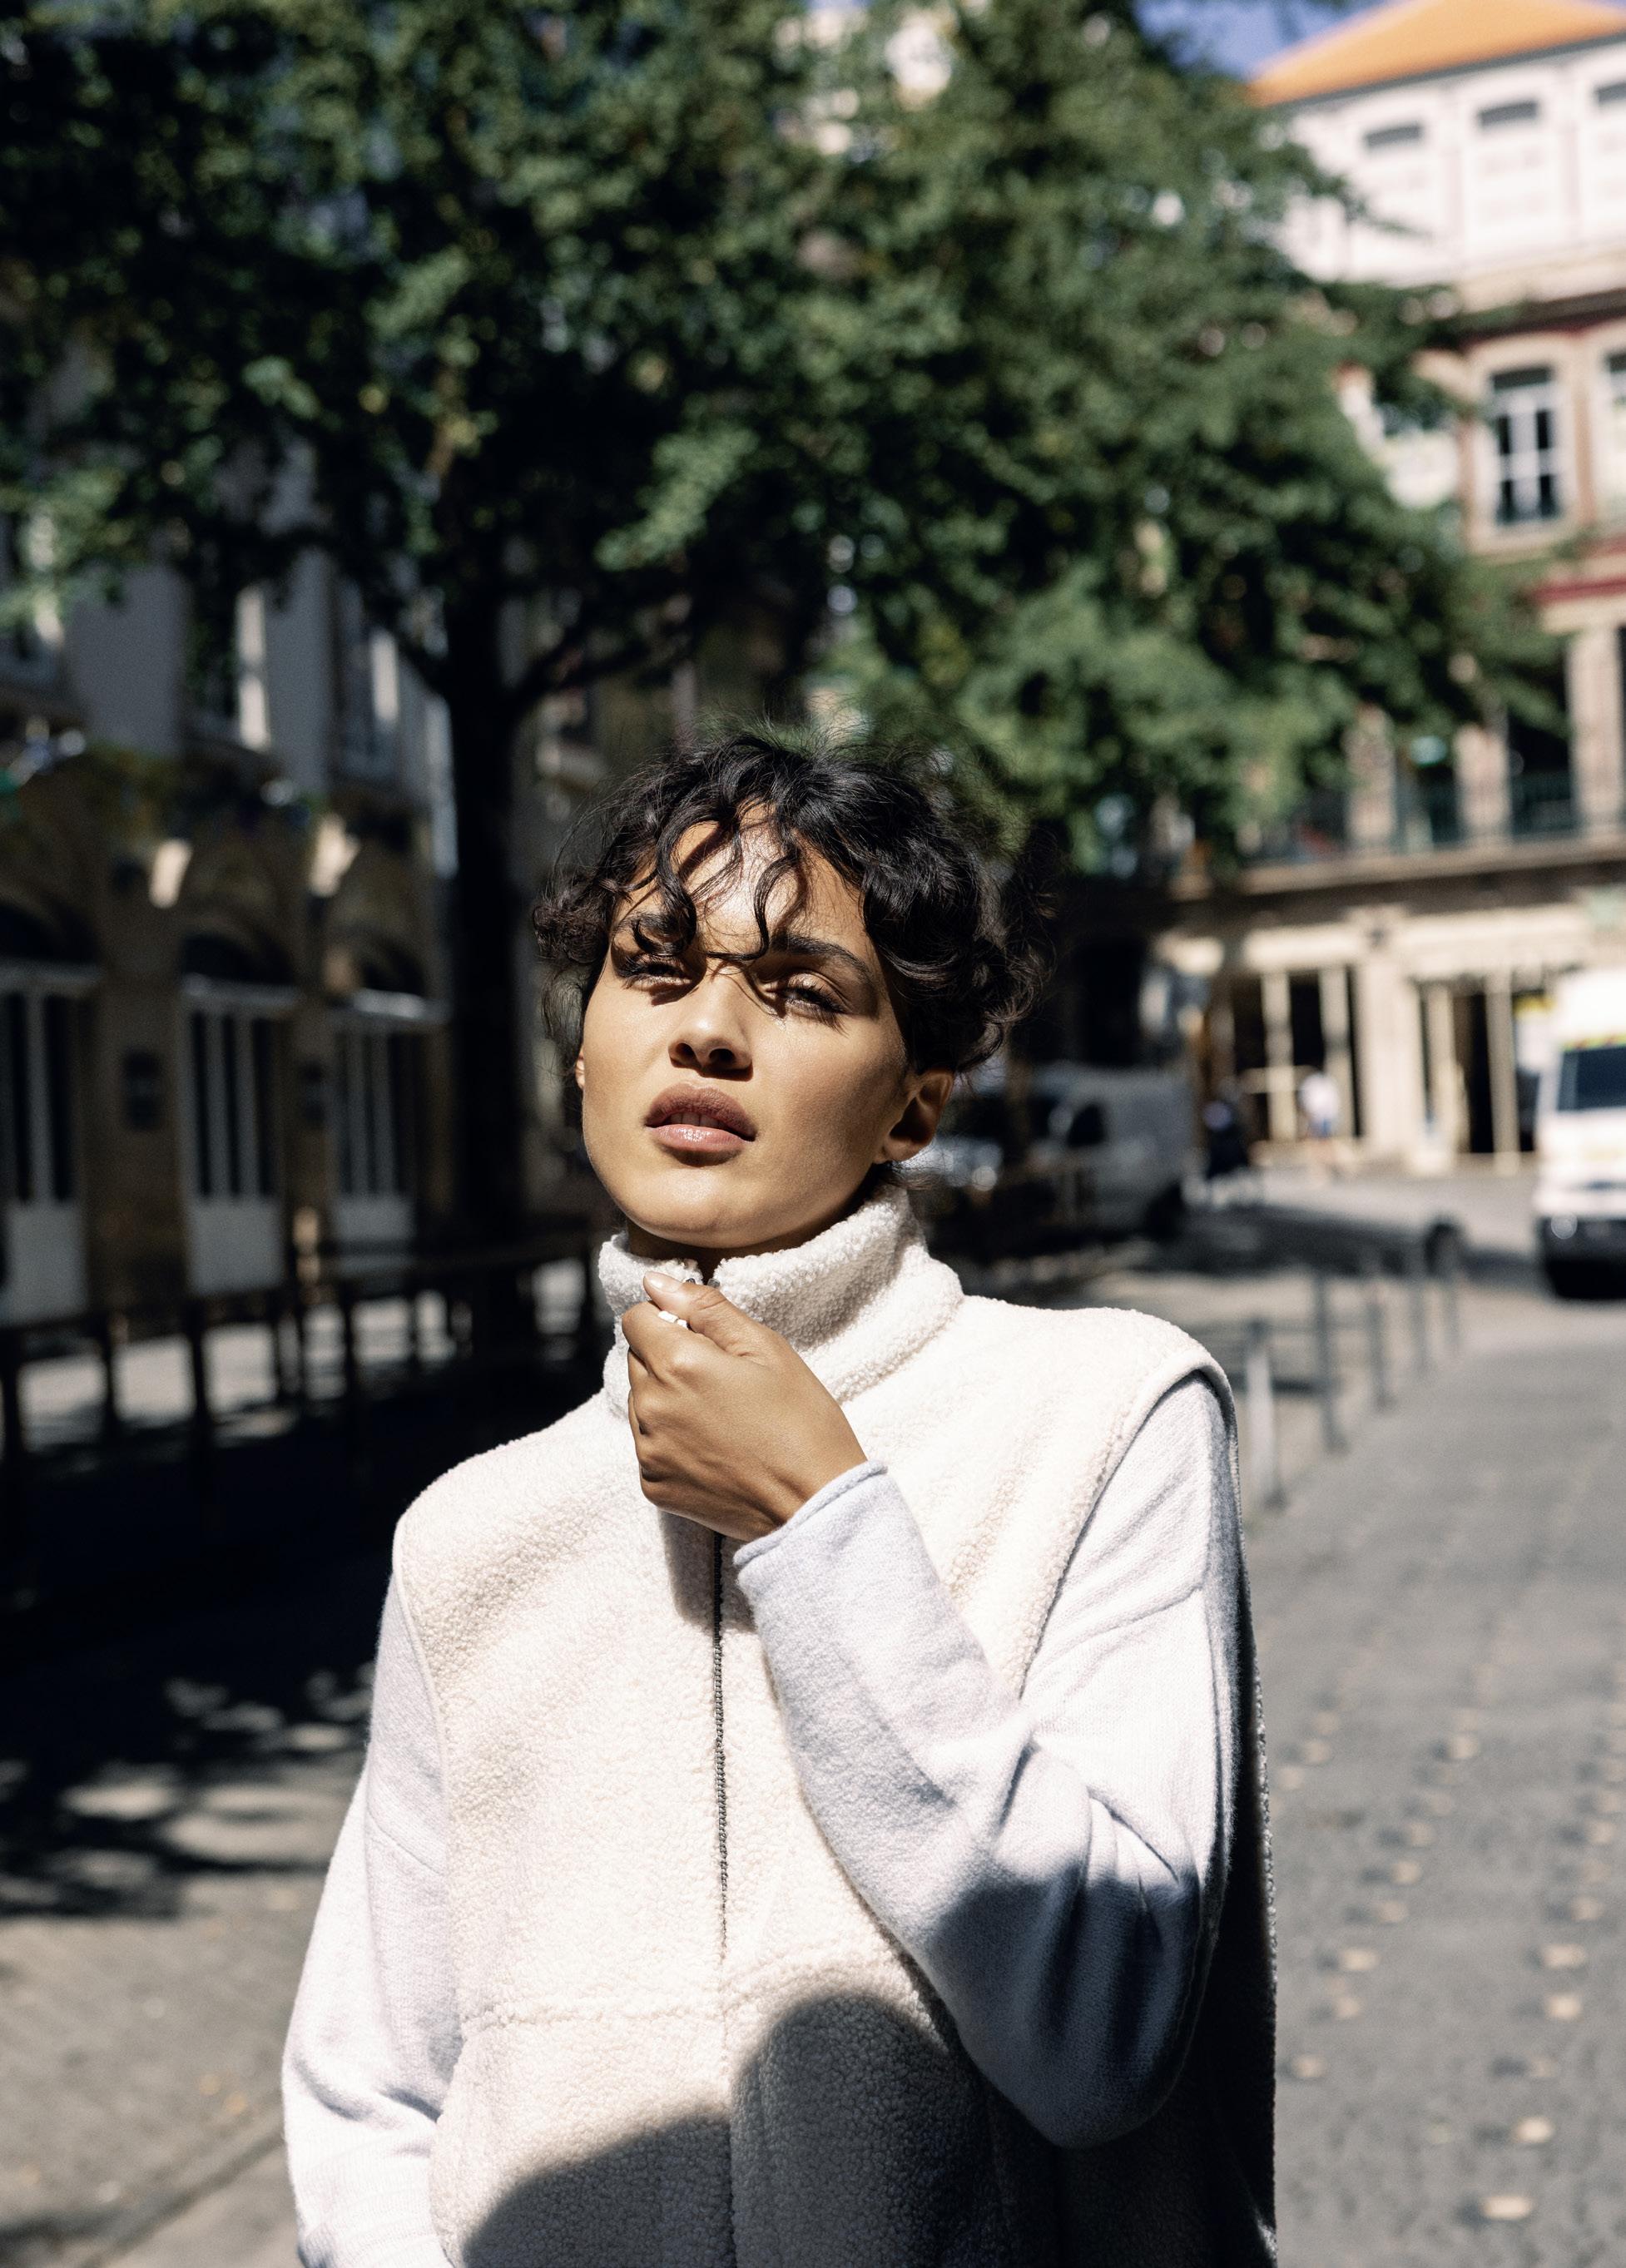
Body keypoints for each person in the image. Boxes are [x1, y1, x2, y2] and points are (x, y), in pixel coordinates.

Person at [283, 730, 1275, 2268]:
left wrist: (820, 1522)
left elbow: (1101, 2035)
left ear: (916, 1103)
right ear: (583, 1049)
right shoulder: (471, 1537)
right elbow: (367, 2095)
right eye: (652, 968)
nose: (706, 1031)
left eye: (800, 990)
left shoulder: (1104, 1415)